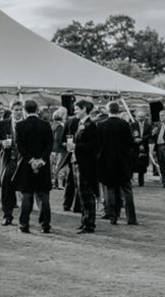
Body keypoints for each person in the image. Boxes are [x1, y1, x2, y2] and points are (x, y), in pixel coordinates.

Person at [14, 99, 53, 234]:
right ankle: (45, 225)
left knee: (27, 195)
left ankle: (24, 224)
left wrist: (31, 160)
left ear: (25, 110)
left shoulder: (20, 125)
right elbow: (50, 145)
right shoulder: (46, 125)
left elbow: (20, 147)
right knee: (44, 196)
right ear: (37, 109)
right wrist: (41, 160)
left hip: (27, 165)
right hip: (43, 164)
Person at [97, 102, 138, 226]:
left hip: (107, 162)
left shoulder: (101, 125)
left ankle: (112, 216)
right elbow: (130, 144)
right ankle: (131, 218)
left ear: (108, 110)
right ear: (118, 110)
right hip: (122, 161)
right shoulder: (125, 124)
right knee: (127, 190)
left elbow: (98, 145)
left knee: (109, 190)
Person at [67, 100, 100, 233]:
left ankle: (89, 223)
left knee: (86, 194)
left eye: (77, 109)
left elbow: (94, 145)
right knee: (80, 193)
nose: (74, 111)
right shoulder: (80, 124)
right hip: (76, 161)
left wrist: (76, 146)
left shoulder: (90, 125)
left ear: (84, 109)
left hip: (85, 164)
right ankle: (84, 220)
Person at [0, 104, 19, 226]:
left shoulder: (26, 123)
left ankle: (25, 217)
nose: (18, 112)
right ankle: (7, 215)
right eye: (16, 110)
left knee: (26, 189)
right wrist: (2, 143)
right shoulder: (3, 123)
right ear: (12, 111)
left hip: (23, 160)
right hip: (9, 160)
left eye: (20, 110)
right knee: (6, 187)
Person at [130, 111, 152, 187]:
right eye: (139, 116)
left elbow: (149, 135)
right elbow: (130, 135)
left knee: (142, 165)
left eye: (142, 116)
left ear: (145, 117)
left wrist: (142, 142)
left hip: (144, 147)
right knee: (132, 164)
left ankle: (141, 182)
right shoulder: (132, 125)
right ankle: (130, 181)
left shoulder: (148, 126)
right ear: (136, 117)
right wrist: (136, 141)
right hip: (134, 147)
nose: (140, 118)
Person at [50, 107, 68, 190]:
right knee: (60, 165)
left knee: (54, 167)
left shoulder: (53, 124)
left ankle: (54, 183)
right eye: (64, 115)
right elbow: (58, 138)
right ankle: (60, 184)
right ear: (60, 116)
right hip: (59, 150)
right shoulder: (60, 126)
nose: (66, 116)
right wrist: (64, 143)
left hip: (53, 149)